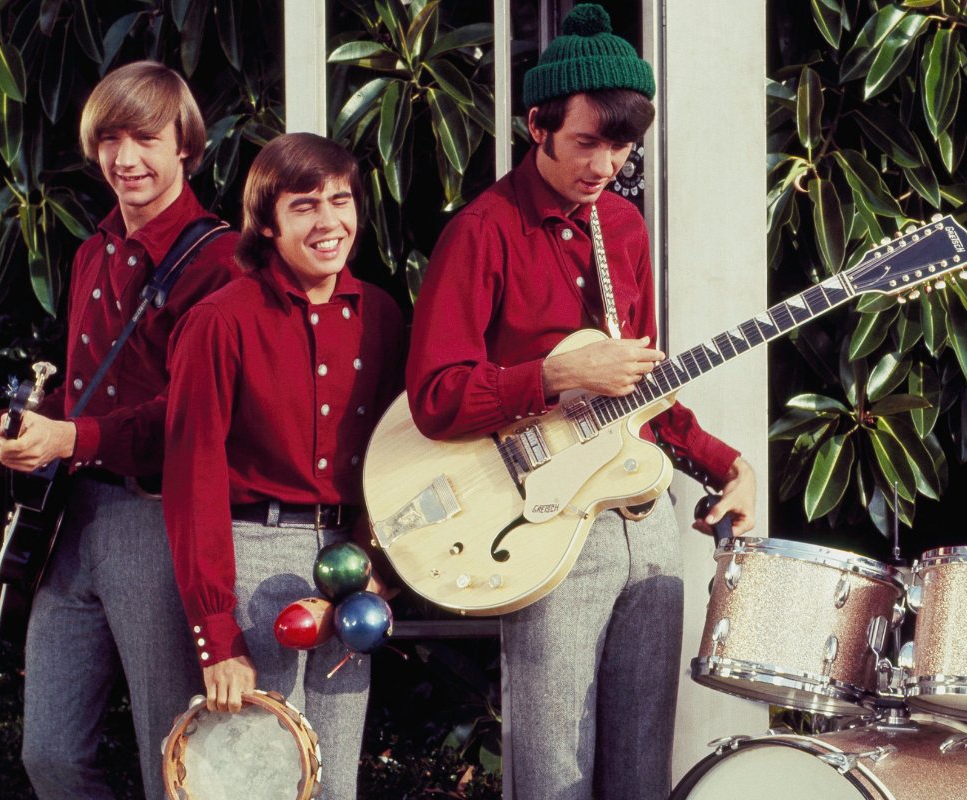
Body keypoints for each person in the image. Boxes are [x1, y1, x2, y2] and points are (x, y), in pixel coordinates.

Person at [404, 5, 757, 798]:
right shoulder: (482, 232)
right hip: (548, 525)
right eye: (587, 143)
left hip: (646, 518)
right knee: (552, 768)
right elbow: (435, 399)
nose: (606, 165)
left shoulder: (623, 228)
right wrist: (561, 375)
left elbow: (642, 389)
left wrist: (725, 464)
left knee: (639, 769)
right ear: (538, 125)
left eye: (623, 146)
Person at [0, 61, 238, 800]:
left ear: (185, 145)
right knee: (51, 757)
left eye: (146, 139)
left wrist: (74, 439)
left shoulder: (220, 262)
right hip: (73, 516)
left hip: (159, 520)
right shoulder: (95, 250)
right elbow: (81, 391)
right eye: (110, 139)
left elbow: (192, 421)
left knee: (179, 760)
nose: (125, 159)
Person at [161, 132, 404, 799]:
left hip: (352, 569)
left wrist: (379, 559)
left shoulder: (381, 315)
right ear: (266, 223)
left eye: (341, 199)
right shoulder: (219, 322)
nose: (330, 221)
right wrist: (218, 633)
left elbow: (399, 454)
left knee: (333, 783)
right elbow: (193, 482)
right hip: (252, 562)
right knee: (255, 782)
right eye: (304, 206)